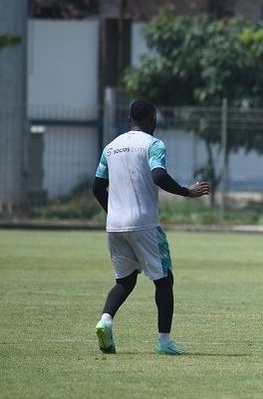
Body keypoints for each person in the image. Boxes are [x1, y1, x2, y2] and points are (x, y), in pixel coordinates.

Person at [92, 100, 211, 355]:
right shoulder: (153, 144)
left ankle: (105, 320)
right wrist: (187, 192)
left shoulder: (110, 147)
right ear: (152, 119)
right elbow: (158, 176)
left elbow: (97, 186)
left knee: (124, 281)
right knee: (164, 281)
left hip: (114, 226)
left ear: (128, 118)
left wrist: (112, 211)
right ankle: (164, 342)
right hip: (144, 224)